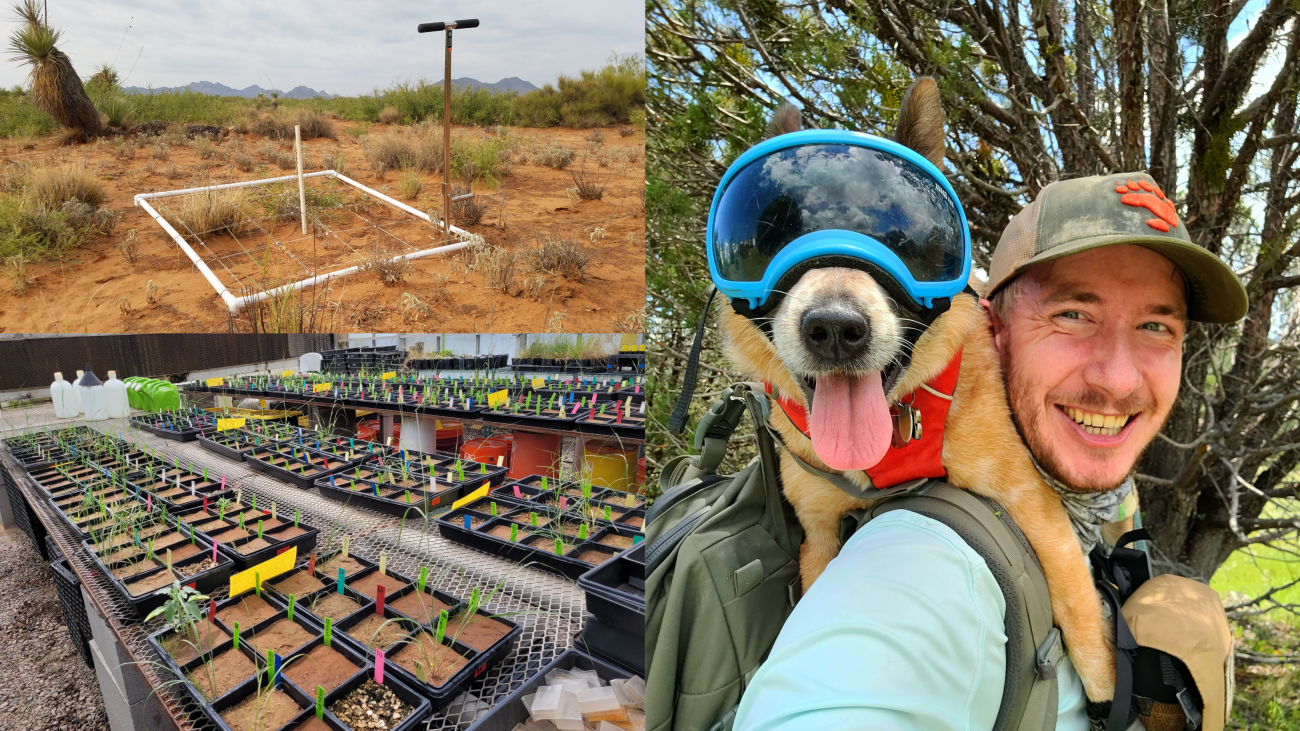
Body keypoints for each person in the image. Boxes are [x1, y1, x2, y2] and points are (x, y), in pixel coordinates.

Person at [731, 172, 1247, 731]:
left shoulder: (1108, 489)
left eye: (1154, 325)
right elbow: (850, 680)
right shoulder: (925, 567)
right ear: (989, 327)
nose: (1119, 381)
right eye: (1072, 314)